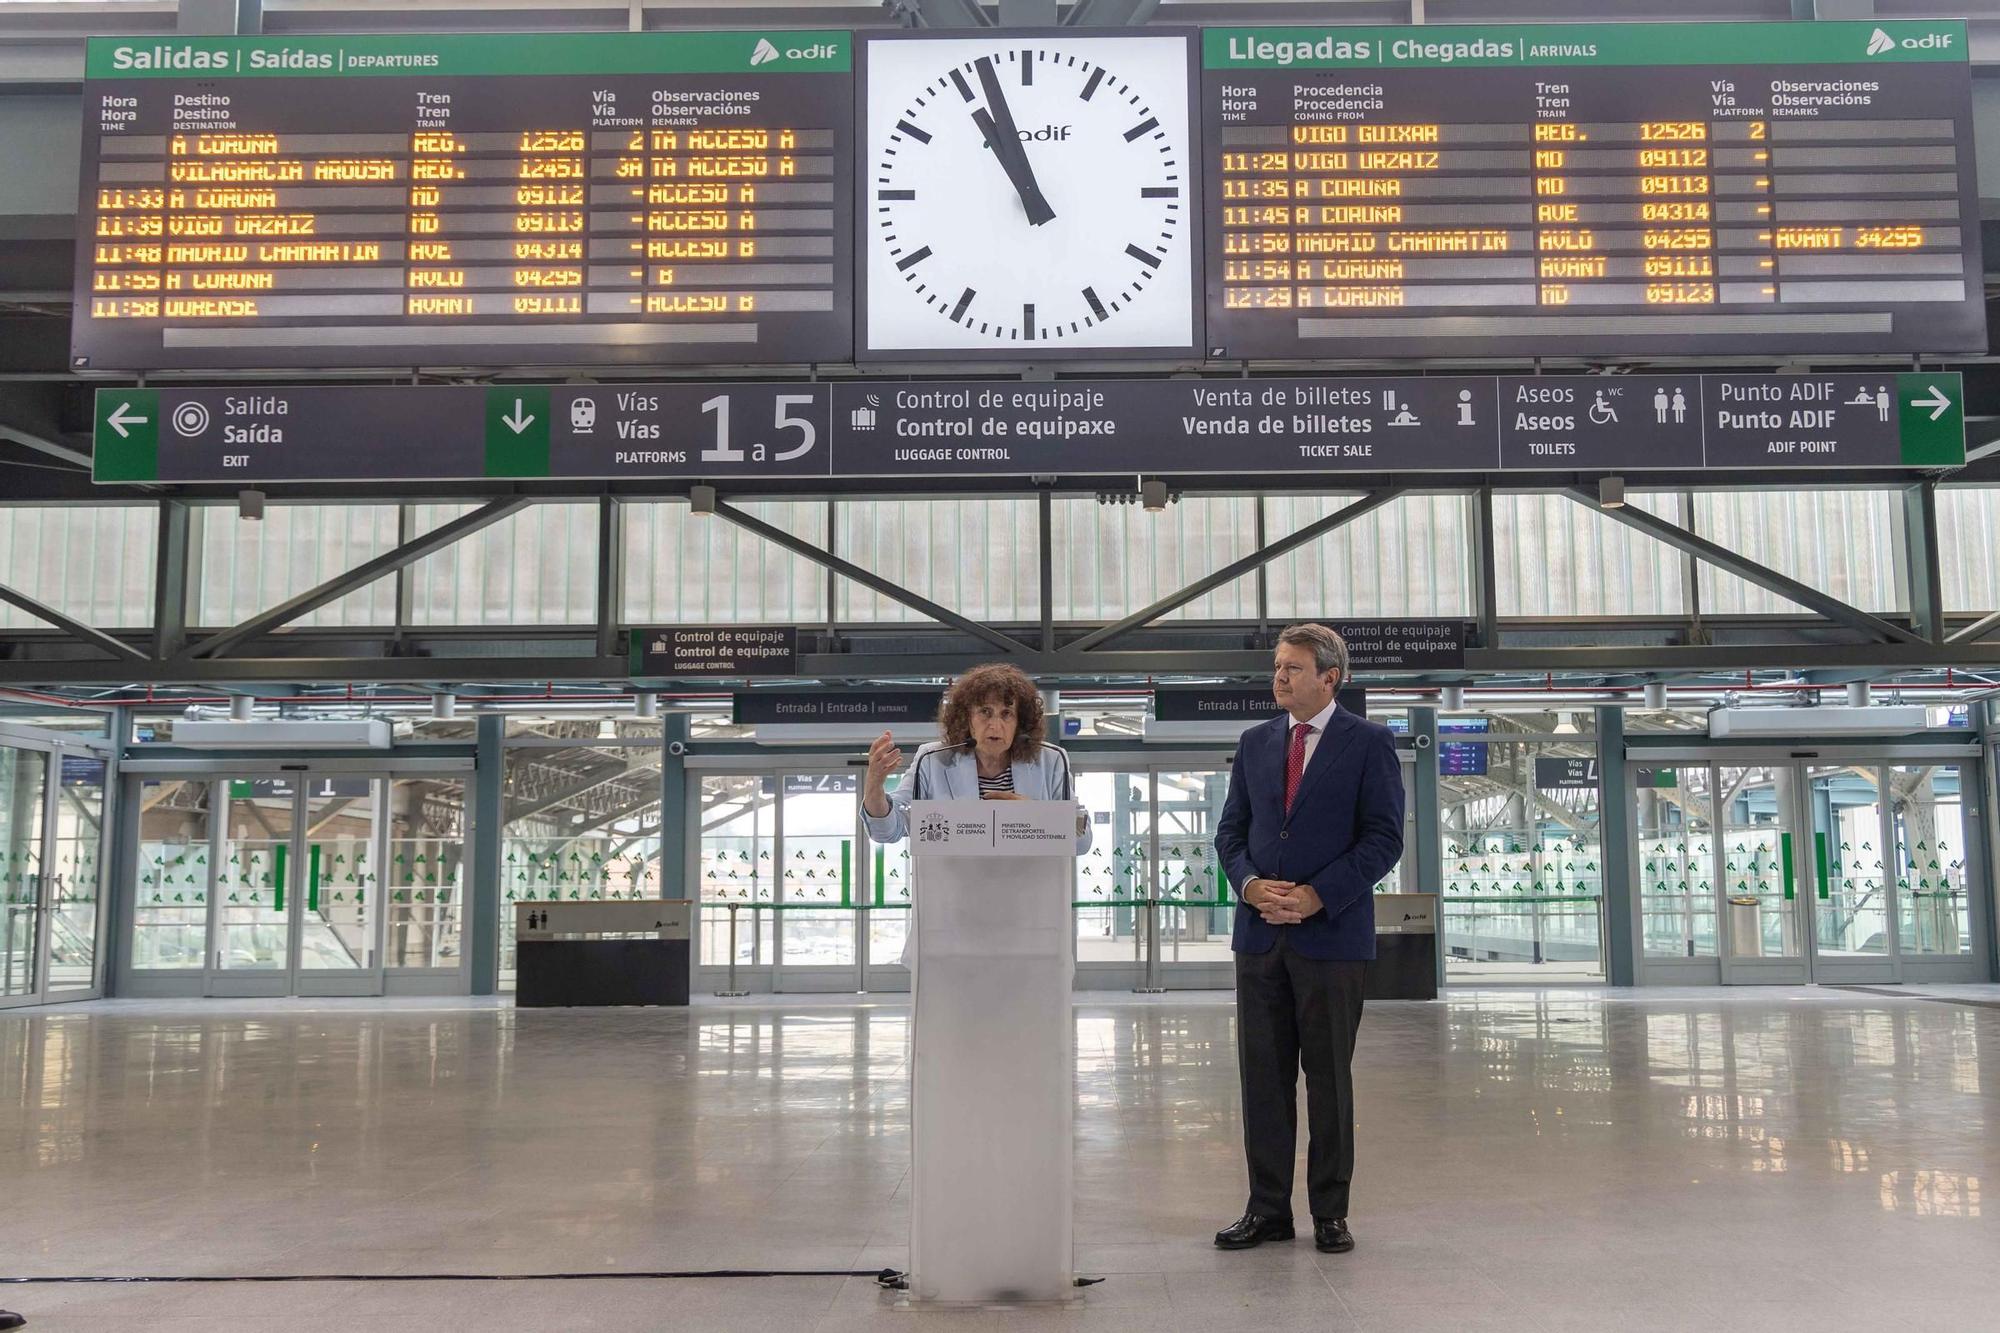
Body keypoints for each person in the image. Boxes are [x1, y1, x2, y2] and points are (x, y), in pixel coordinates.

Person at [1211, 623, 1405, 1256]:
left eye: (1293, 668)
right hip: (1260, 937)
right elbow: (1230, 834)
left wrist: (1318, 895)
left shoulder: (1369, 743)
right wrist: (1248, 885)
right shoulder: (1255, 742)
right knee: (1262, 1080)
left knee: (1328, 1080)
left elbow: (1383, 839)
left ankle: (1330, 1212)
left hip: (1332, 937)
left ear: (1331, 677)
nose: (1280, 676)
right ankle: (1266, 1209)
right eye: (1278, 666)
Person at [861, 663, 1092, 961]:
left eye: (1006, 714)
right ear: (967, 720)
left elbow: (1081, 842)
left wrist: (1035, 818)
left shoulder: (1051, 760)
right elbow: (887, 830)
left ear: (1020, 722)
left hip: (1028, 924)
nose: (995, 725)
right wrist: (874, 785)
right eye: (985, 712)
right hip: (951, 924)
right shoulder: (932, 760)